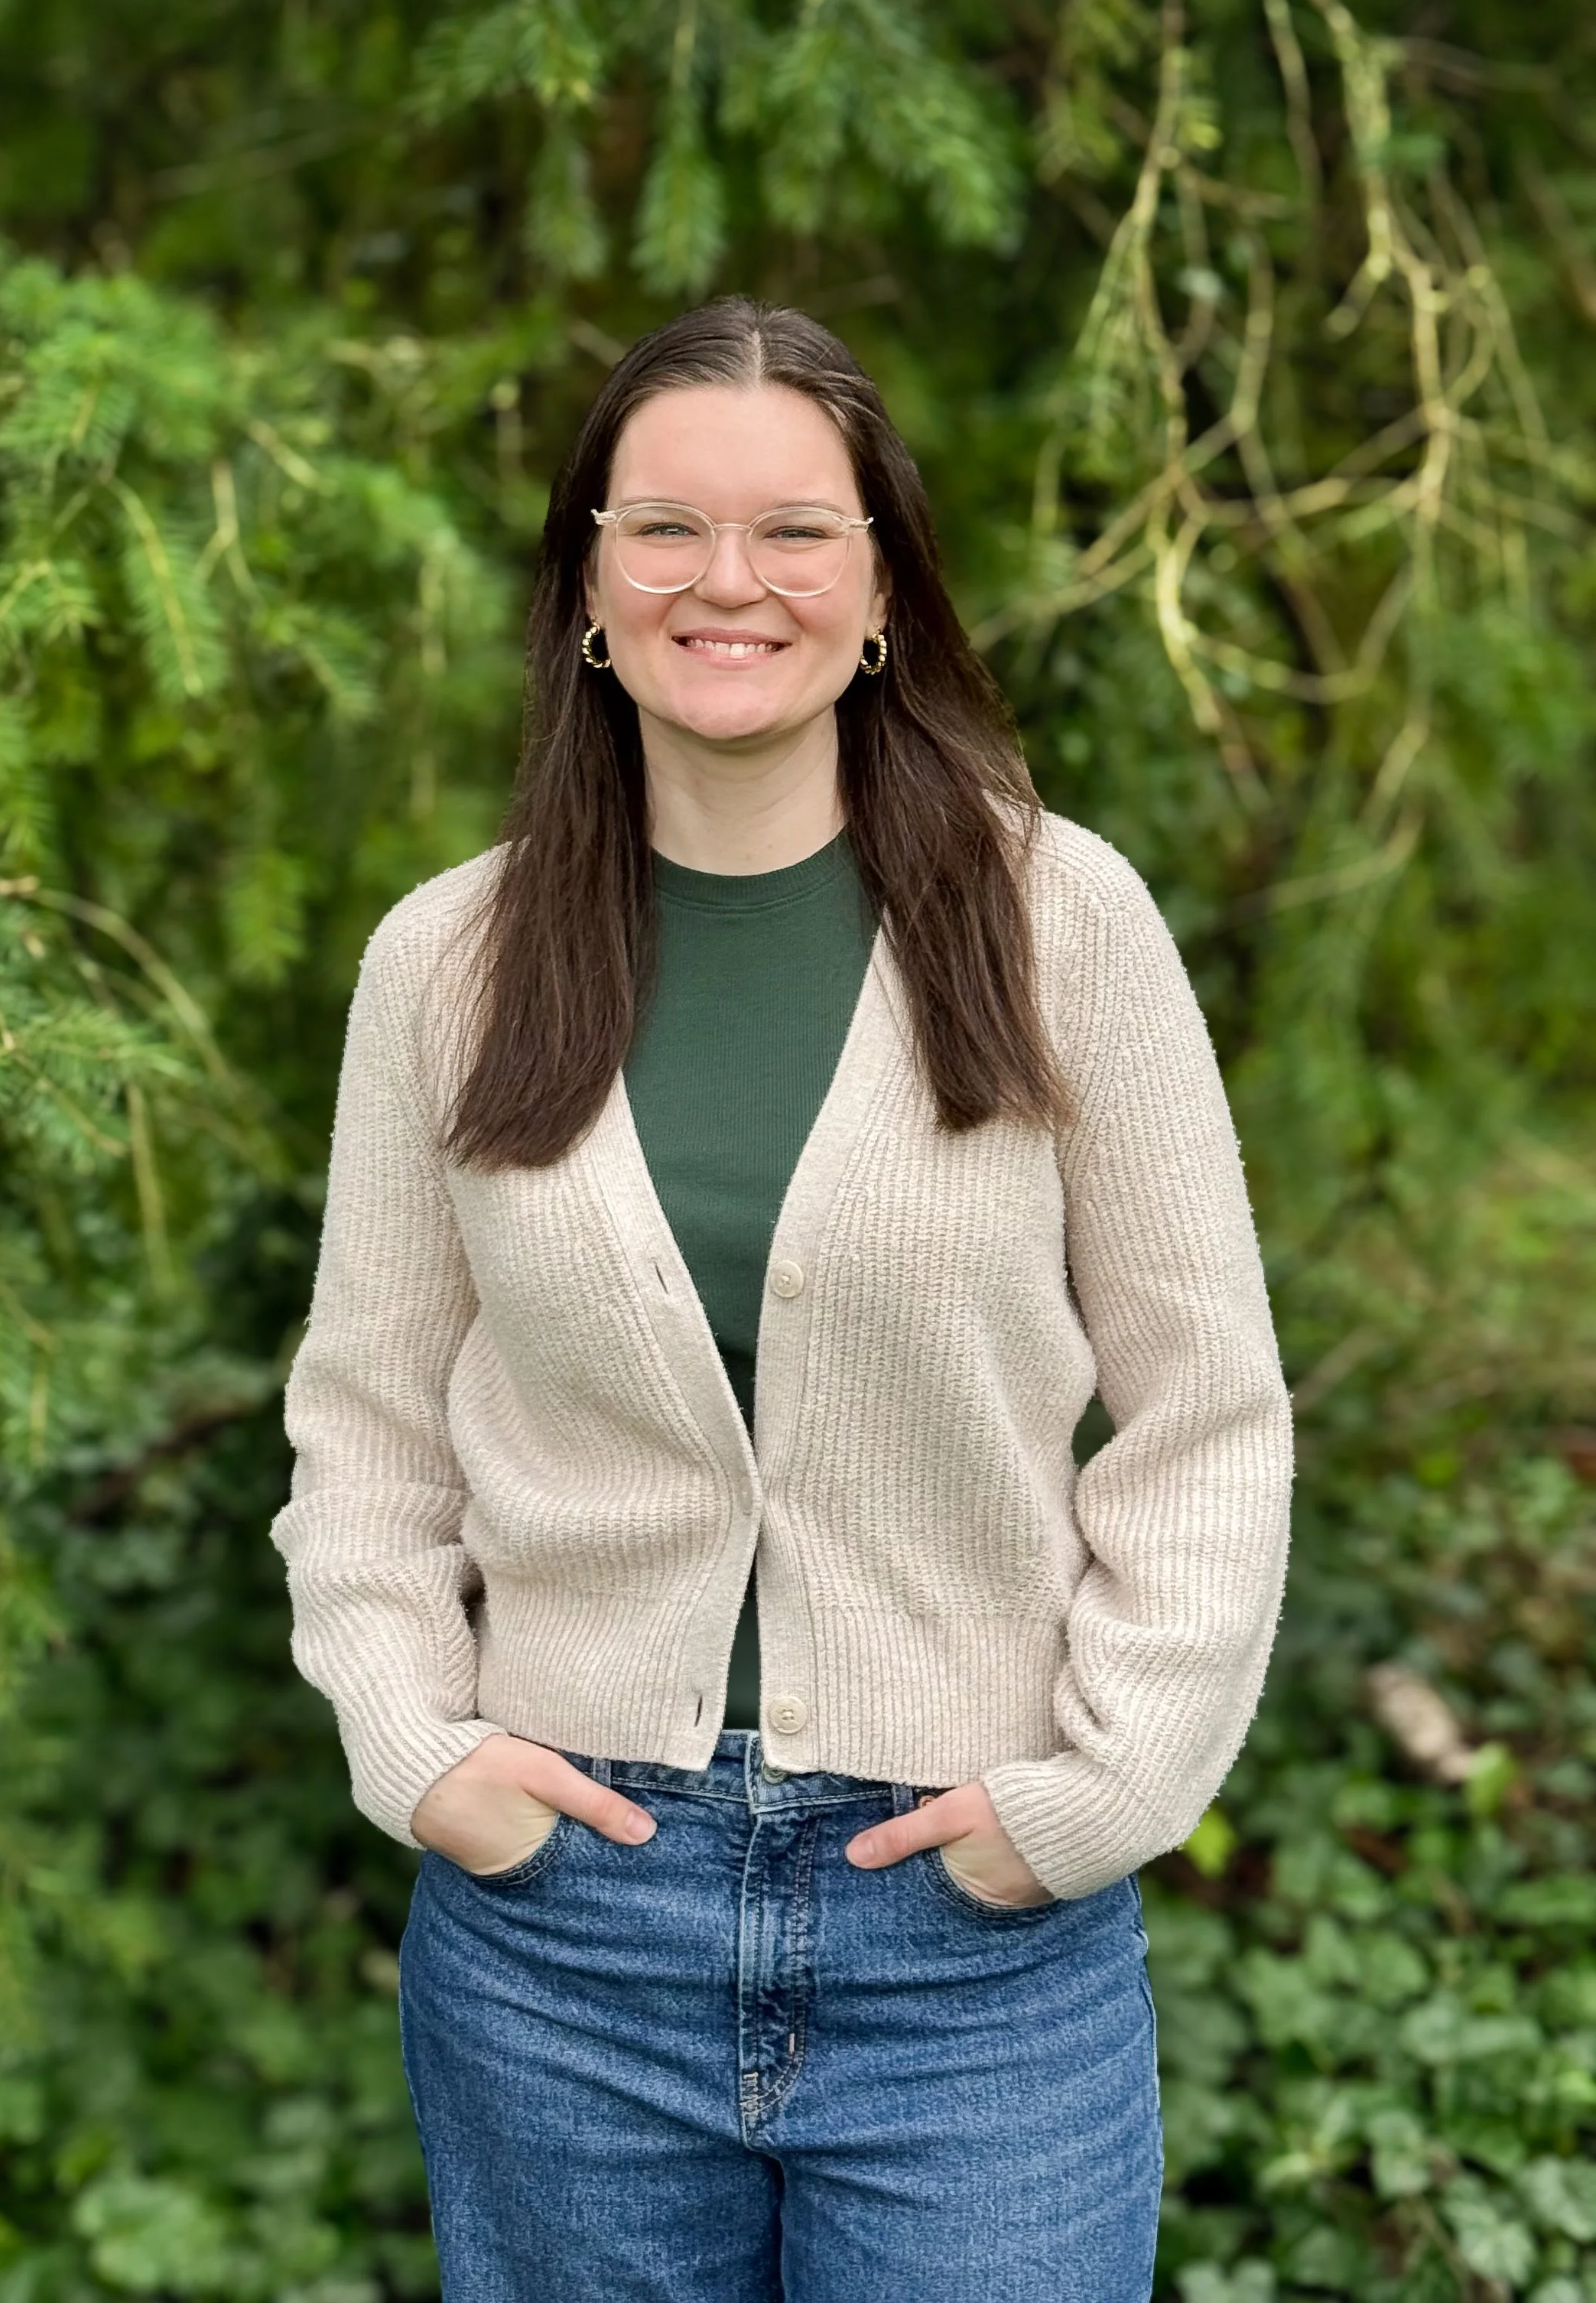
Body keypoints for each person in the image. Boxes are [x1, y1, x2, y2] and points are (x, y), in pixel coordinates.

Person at [271, 295, 1293, 2303]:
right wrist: (418, 1747)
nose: (724, 581)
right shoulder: (451, 964)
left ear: (885, 587)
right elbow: (366, 1418)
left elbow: (1205, 1410)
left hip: (973, 1944)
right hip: (566, 1932)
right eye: (662, 525)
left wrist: (1095, 1793)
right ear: (587, 582)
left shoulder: (1053, 924)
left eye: (793, 531)